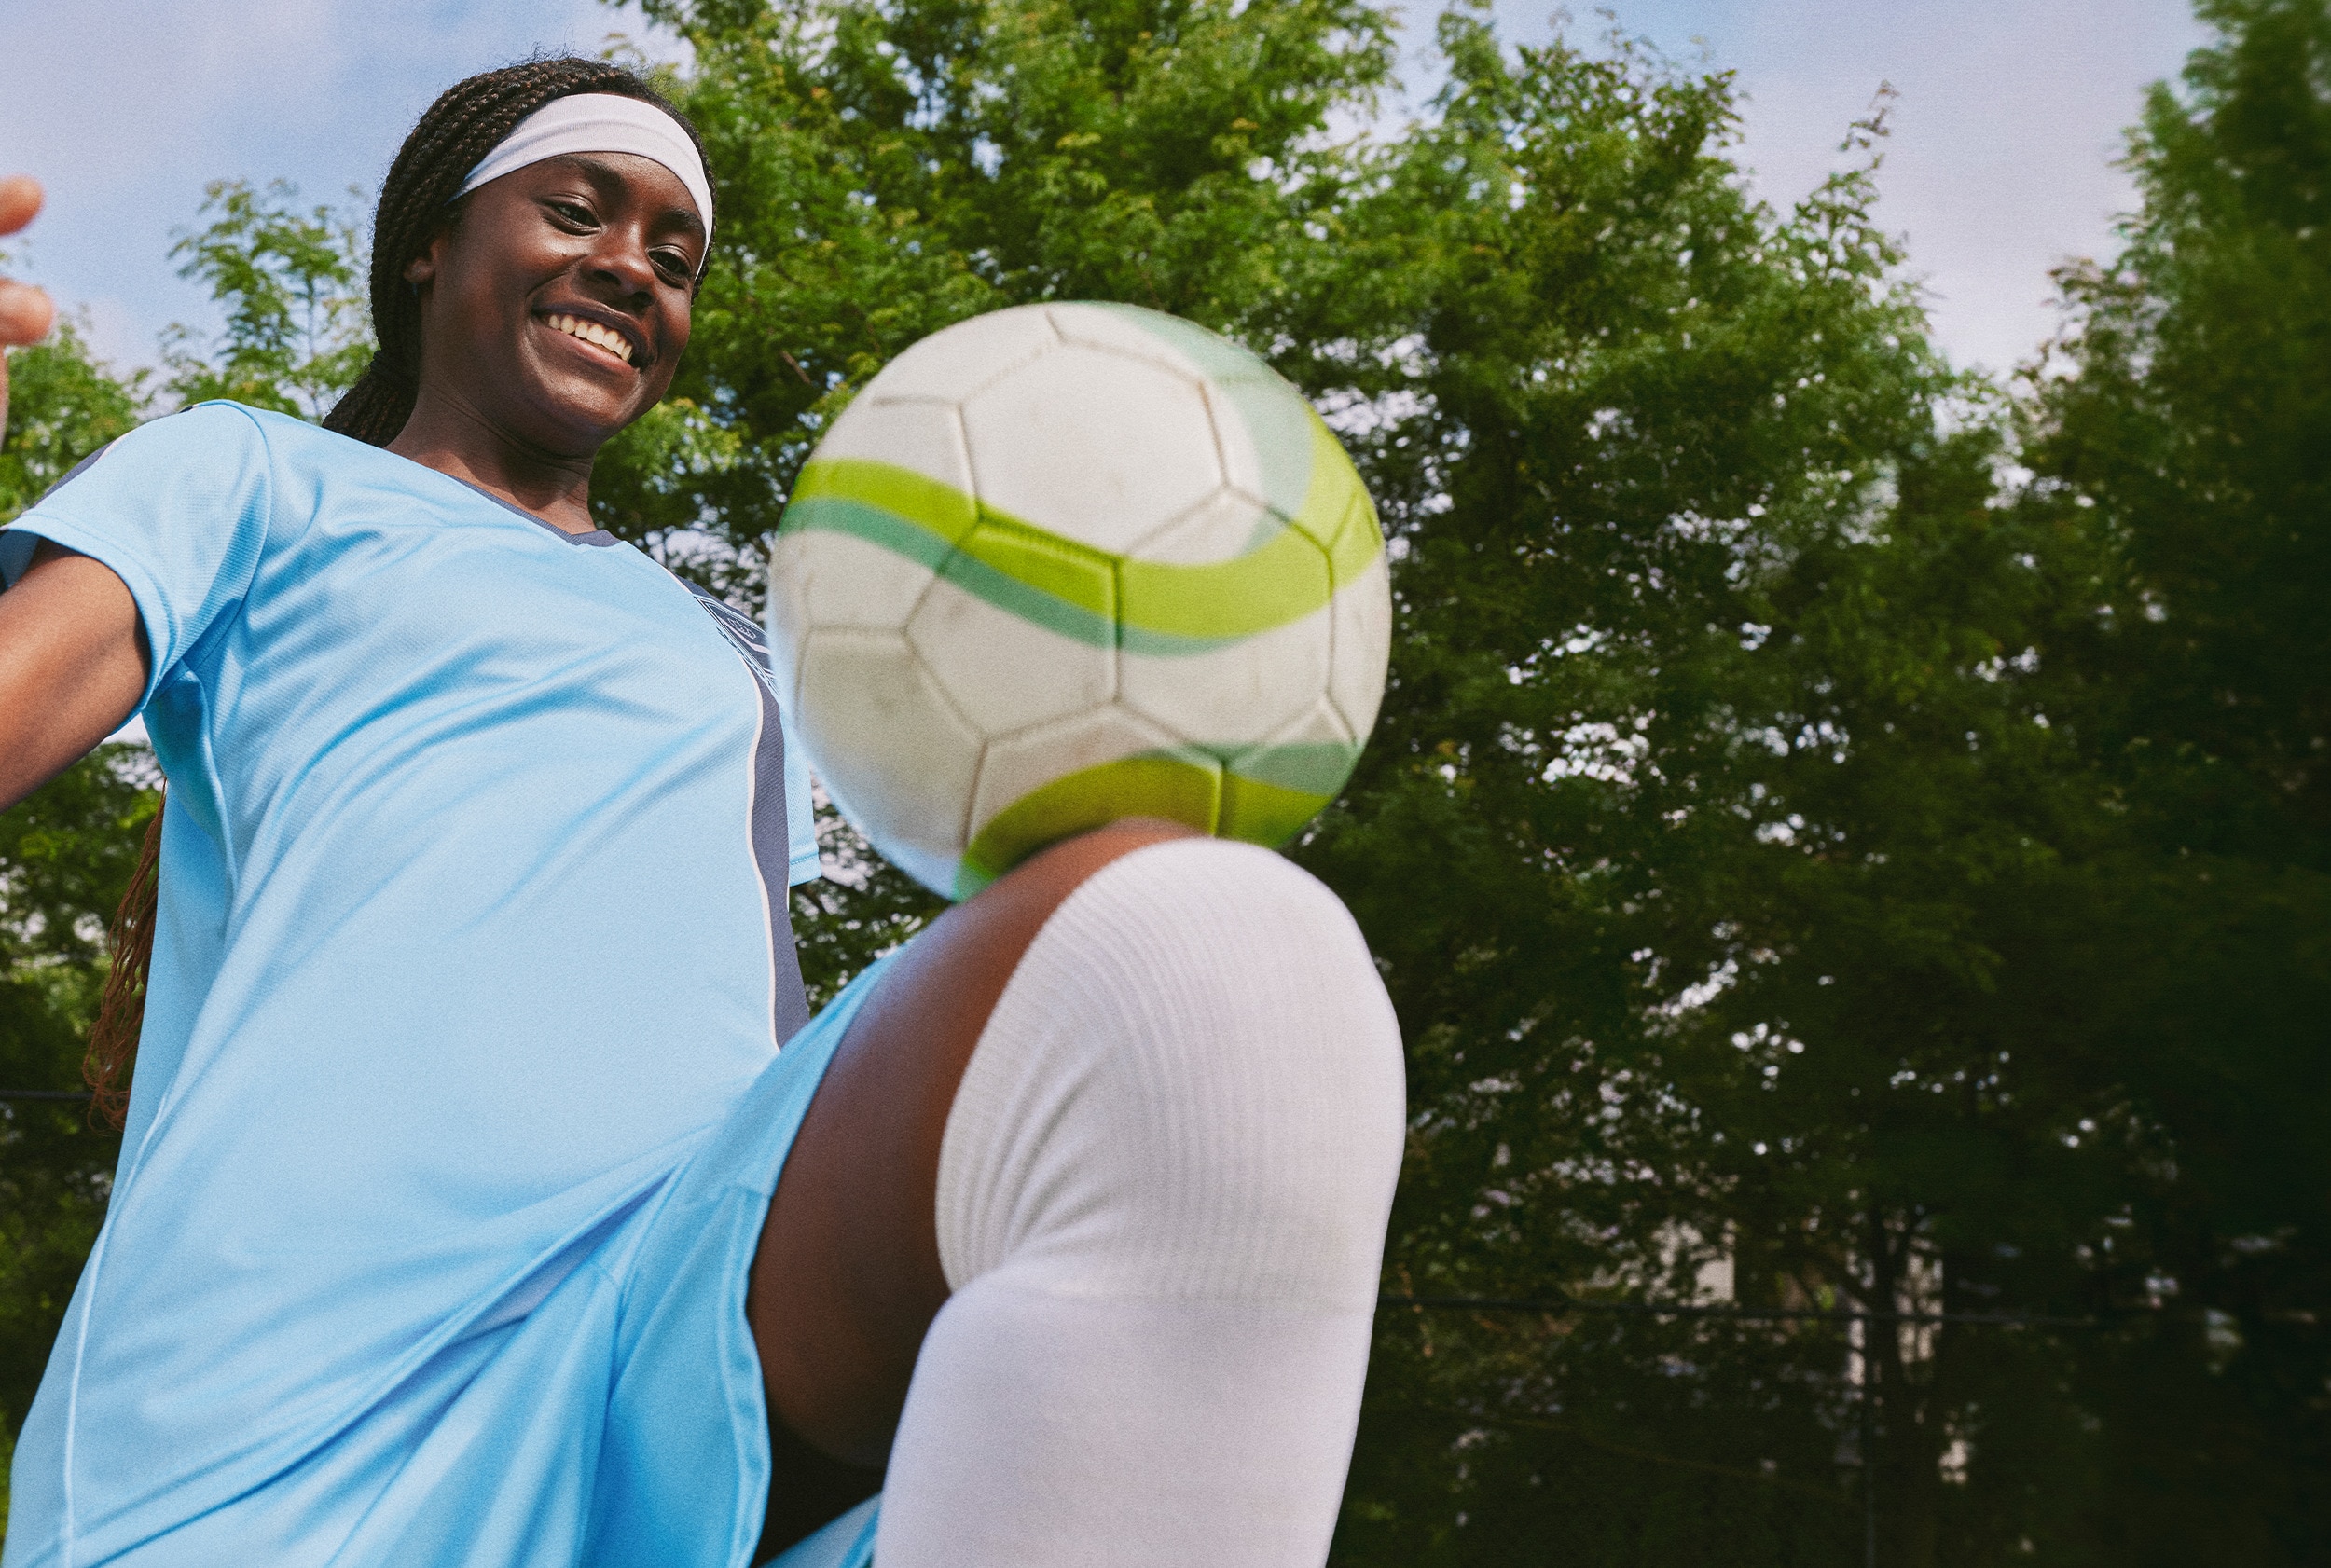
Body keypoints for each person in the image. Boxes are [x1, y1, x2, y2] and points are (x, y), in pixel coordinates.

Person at [0, 57, 1404, 1568]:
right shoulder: (259, 479)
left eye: (677, 256)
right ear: (431, 244)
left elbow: (760, 1013)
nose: (632, 267)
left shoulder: (727, 655)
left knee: (1211, 960)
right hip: (267, 1428)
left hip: (658, 1346)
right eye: (578, 208)